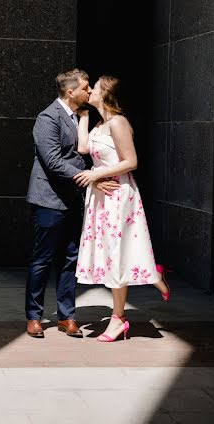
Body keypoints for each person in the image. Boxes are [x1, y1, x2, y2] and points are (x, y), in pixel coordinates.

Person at [73, 75, 171, 342]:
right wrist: (83, 116)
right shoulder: (100, 125)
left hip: (118, 196)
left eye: (94, 88)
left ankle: (118, 320)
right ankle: (152, 272)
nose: (89, 90)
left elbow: (131, 161)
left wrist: (95, 176)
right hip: (102, 198)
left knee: (115, 254)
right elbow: (83, 148)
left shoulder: (118, 122)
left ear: (105, 94)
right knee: (110, 254)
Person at [24, 69, 120, 339]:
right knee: (42, 260)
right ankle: (34, 317)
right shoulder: (47, 118)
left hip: (74, 201)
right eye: (86, 88)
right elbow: (53, 162)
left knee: (71, 260)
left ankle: (67, 317)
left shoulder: (80, 117)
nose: (89, 92)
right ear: (70, 92)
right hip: (49, 200)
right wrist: (91, 180)